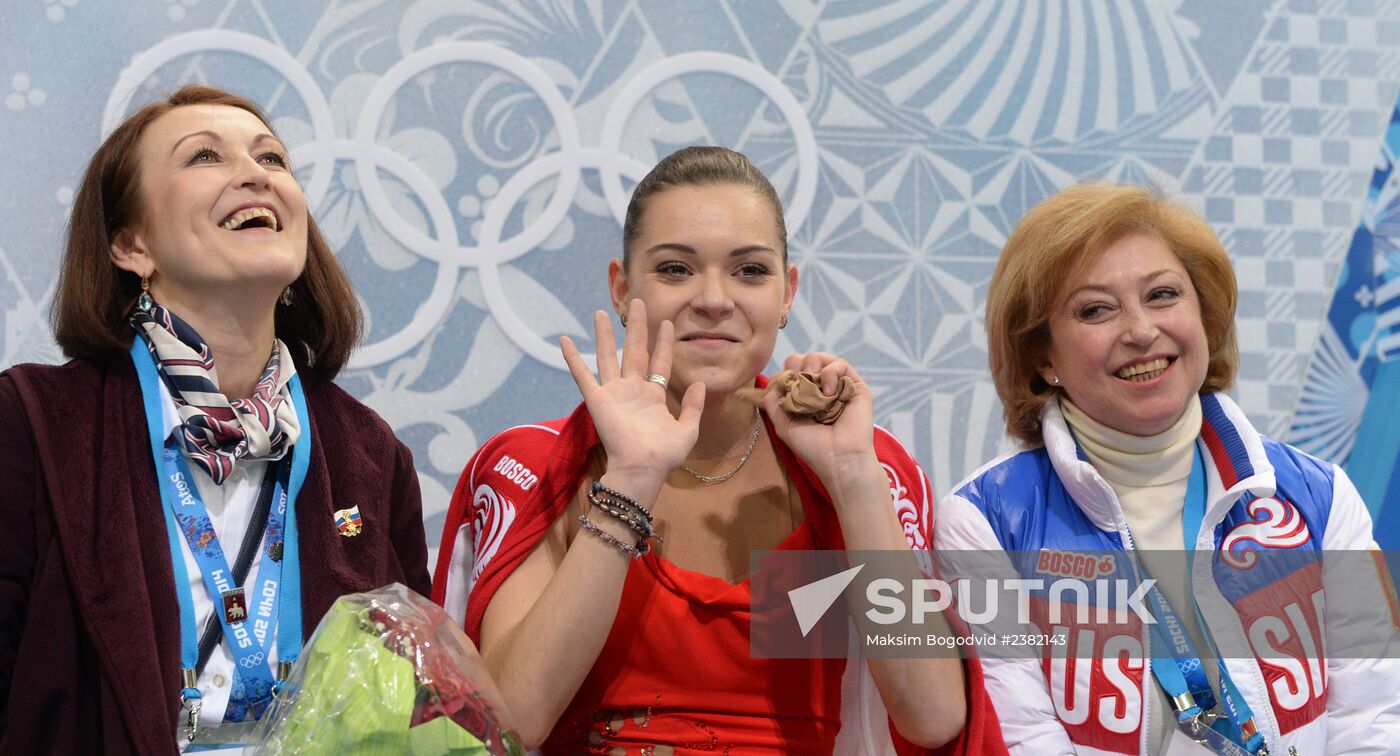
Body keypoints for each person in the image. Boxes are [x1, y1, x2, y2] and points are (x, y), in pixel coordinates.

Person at [432, 146, 1006, 753]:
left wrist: (851, 477)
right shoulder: (538, 463)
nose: (713, 298)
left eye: (750, 271)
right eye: (676, 269)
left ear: (787, 293)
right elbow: (511, 723)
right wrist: (631, 478)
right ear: (623, 287)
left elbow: (933, 717)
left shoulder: (867, 467)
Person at [0, 85, 431, 754]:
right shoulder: (33, 425)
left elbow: (412, 698)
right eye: (205, 156)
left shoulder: (367, 450)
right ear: (130, 245)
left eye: (273, 159)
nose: (256, 173)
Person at [935, 182, 1400, 754]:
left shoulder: (1320, 495)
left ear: (1203, 315)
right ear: (1044, 356)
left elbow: (1375, 718)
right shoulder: (986, 521)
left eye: (1162, 295)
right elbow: (1020, 737)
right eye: (1096, 309)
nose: (1139, 330)